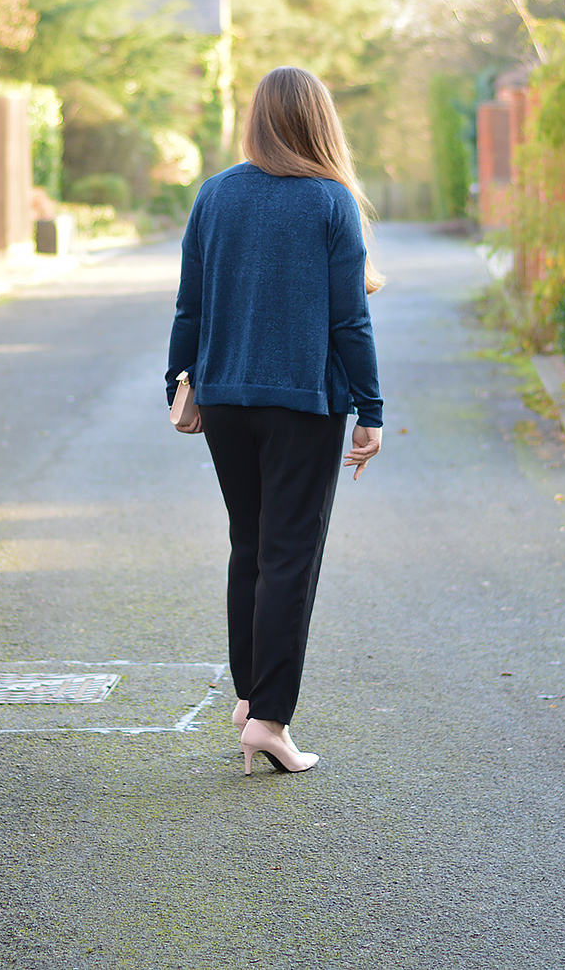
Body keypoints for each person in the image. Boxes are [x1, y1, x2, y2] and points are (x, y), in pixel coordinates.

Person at [166, 65, 383, 776]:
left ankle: (248, 696)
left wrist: (179, 382)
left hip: (225, 397)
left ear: (257, 118)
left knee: (250, 545)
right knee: (291, 553)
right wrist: (371, 409)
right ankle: (268, 719)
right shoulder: (331, 201)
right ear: (319, 121)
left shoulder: (214, 194)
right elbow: (349, 319)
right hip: (303, 402)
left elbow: (189, 306)